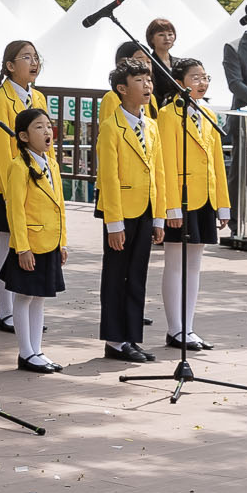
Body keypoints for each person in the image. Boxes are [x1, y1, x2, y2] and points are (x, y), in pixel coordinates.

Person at [157, 58, 231, 349]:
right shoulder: (167, 114)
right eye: (196, 77)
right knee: (175, 264)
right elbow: (165, 163)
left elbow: (217, 163)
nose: (202, 83)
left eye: (205, 77)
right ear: (179, 82)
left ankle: (188, 328)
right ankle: (175, 329)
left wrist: (222, 205)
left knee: (194, 266)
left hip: (205, 198)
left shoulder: (208, 113)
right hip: (180, 198)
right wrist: (171, 208)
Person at [0, 39, 51, 336]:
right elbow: (1, 150)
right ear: (10, 66)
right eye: (26, 57)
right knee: (6, 244)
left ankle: (22, 309)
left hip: (36, 184)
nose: (33, 62)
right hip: (8, 184)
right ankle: (6, 311)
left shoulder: (40, 97)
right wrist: (16, 183)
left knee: (28, 243)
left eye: (36, 57)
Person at [96, 60, 163, 362]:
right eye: (139, 80)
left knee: (137, 276)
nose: (147, 86)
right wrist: (113, 223)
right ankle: (114, 339)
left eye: (148, 80)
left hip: (147, 208)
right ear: (122, 89)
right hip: (121, 211)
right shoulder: (111, 127)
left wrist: (159, 215)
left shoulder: (151, 125)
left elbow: (158, 171)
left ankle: (132, 338)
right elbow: (108, 178)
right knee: (116, 275)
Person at [0, 106, 66, 372]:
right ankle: (25, 352)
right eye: (39, 127)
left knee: (40, 298)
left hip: (50, 241)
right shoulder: (19, 166)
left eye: (48, 126)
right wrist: (22, 248)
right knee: (24, 296)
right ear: (23, 136)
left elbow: (59, 205)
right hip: (30, 244)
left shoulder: (52, 163)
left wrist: (62, 242)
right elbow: (15, 210)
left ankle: (37, 350)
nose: (47, 131)